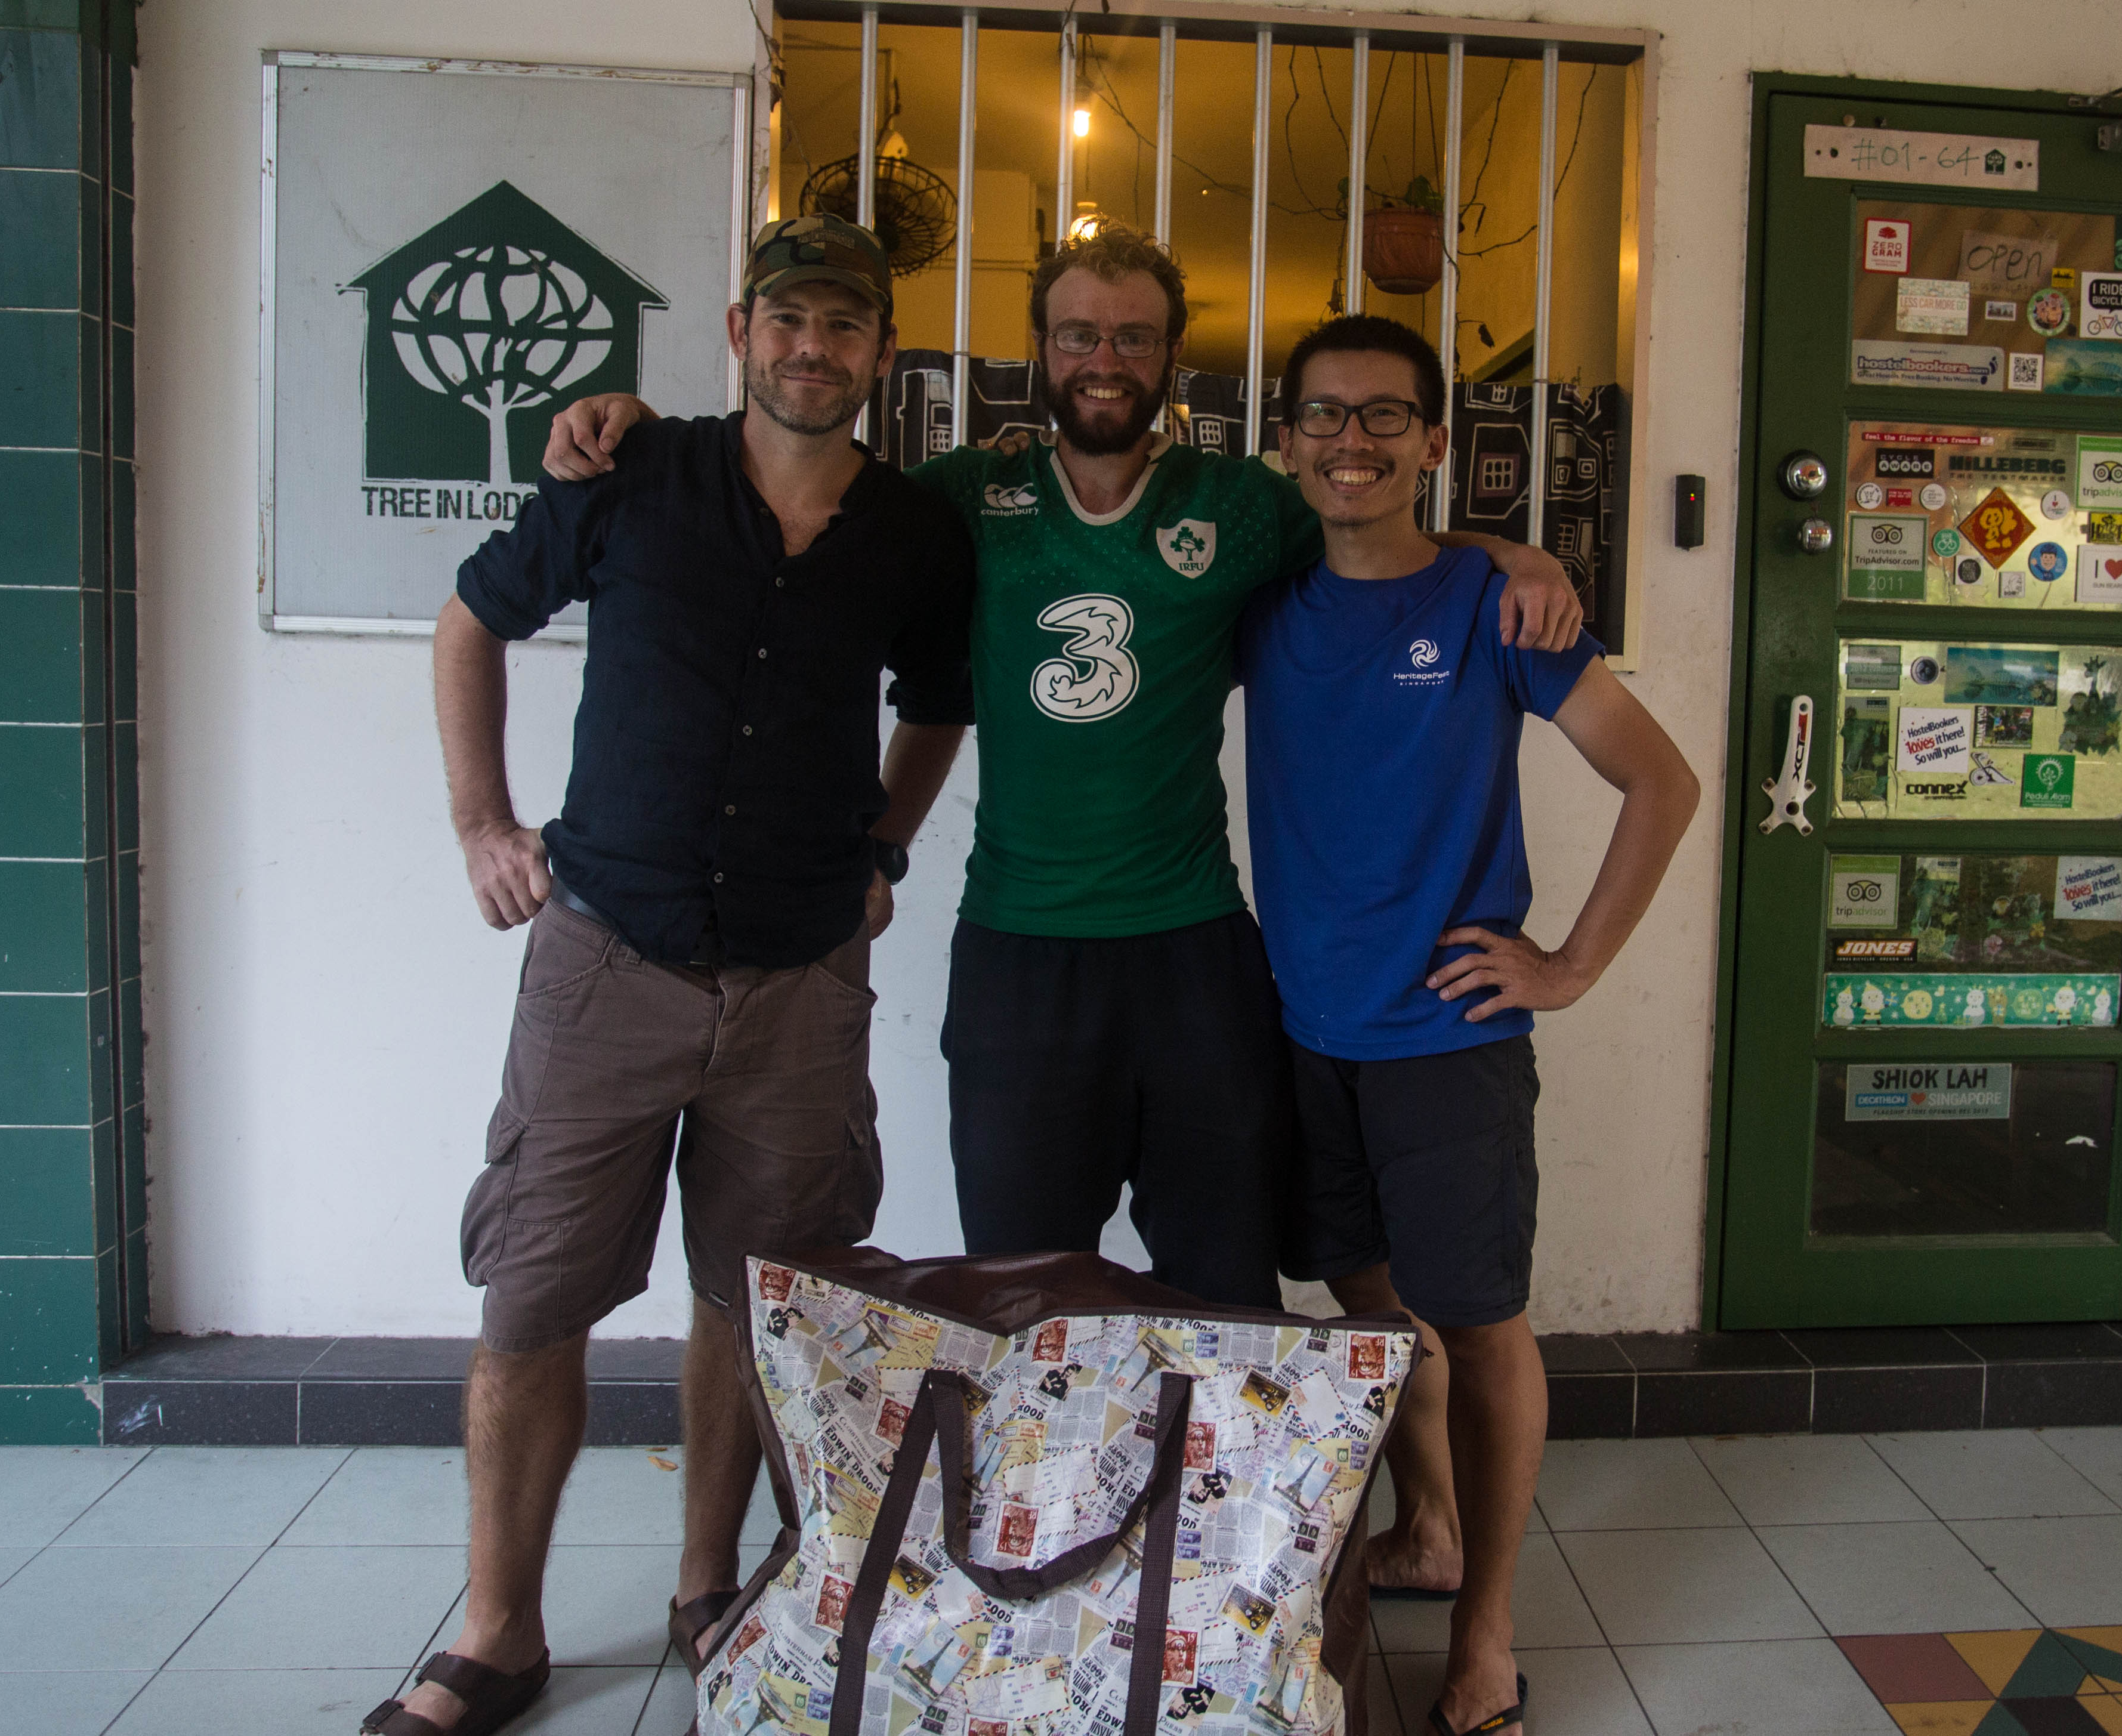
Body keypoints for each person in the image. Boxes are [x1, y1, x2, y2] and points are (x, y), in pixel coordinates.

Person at [543, 224, 1583, 1314]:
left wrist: (1515, 552)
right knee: (1025, 1289)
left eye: (1135, 337)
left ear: (1172, 357)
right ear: (1039, 348)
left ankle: (1203, 1492)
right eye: (1080, 333)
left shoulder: (1242, 506)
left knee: (1222, 1288)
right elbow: (797, 477)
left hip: (1193, 955)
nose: (1106, 359)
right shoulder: (958, 499)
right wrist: (658, 436)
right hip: (1019, 960)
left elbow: (1378, 530)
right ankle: (1050, 1495)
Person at [367, 216, 974, 1736]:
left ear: (879, 357)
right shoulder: (627, 472)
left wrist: (879, 856)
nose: (811, 350)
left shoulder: (914, 533)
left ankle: (710, 1586)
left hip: (798, 977)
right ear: (737, 329)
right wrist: (479, 825)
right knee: (532, 1296)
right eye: (787, 319)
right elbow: (470, 618)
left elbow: (940, 709)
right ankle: (498, 1634)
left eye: (843, 327)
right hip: (607, 956)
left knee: (753, 1297)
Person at [1237, 316, 1699, 1736]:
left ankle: (1486, 1624)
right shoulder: (1257, 598)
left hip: (1448, 1039)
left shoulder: (1502, 611)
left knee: (1482, 1327)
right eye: (1323, 416)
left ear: (1436, 444)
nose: (1351, 440)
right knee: (1365, 1300)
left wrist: (1567, 965)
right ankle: (1426, 1524)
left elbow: (1663, 785)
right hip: (1302, 1031)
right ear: (1288, 442)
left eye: (1385, 417)